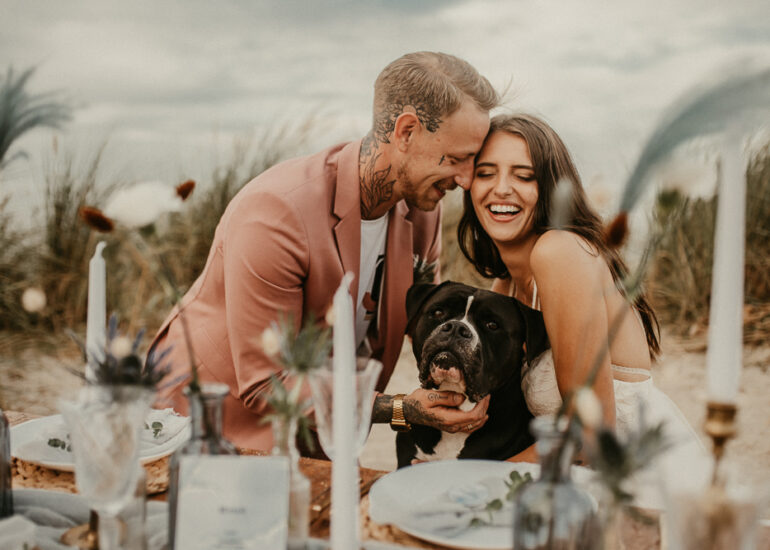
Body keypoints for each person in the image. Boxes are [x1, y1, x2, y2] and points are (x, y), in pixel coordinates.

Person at [151, 51, 498, 452]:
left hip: (320, 427)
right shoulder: (276, 211)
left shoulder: (423, 213)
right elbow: (268, 382)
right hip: (206, 423)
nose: (468, 179)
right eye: (457, 159)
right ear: (406, 132)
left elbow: (425, 318)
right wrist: (402, 410)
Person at [458, 113, 704, 465]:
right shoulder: (508, 285)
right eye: (485, 173)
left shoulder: (560, 252)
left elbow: (588, 438)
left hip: (636, 479)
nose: (501, 188)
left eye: (524, 176)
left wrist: (471, 479)